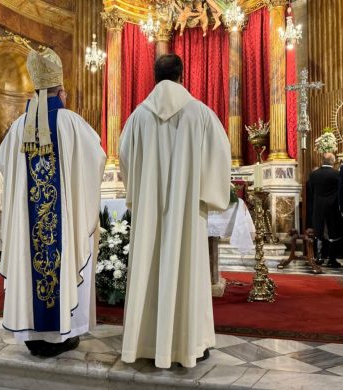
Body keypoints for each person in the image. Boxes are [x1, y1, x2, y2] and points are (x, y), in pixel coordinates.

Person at [119, 54, 231, 368]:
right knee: (188, 271)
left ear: (154, 76)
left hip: (150, 212)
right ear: (182, 74)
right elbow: (220, 158)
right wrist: (206, 192)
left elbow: (125, 156)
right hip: (188, 213)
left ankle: (145, 342)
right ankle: (190, 344)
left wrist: (140, 193)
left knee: (149, 267)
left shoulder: (139, 117)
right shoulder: (200, 113)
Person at [0, 48, 106, 357]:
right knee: (62, 255)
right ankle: (61, 335)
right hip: (61, 224)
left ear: (36, 88)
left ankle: (30, 331)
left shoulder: (18, 127)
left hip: (27, 225)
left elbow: (4, 163)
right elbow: (96, 159)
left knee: (29, 263)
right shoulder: (71, 122)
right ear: (62, 91)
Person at [308, 153, 343, 268]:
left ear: (322, 161)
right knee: (333, 232)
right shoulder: (337, 174)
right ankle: (332, 259)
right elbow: (341, 191)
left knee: (318, 231)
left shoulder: (314, 174)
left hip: (318, 206)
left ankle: (319, 257)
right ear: (333, 161)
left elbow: (311, 191)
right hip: (333, 207)